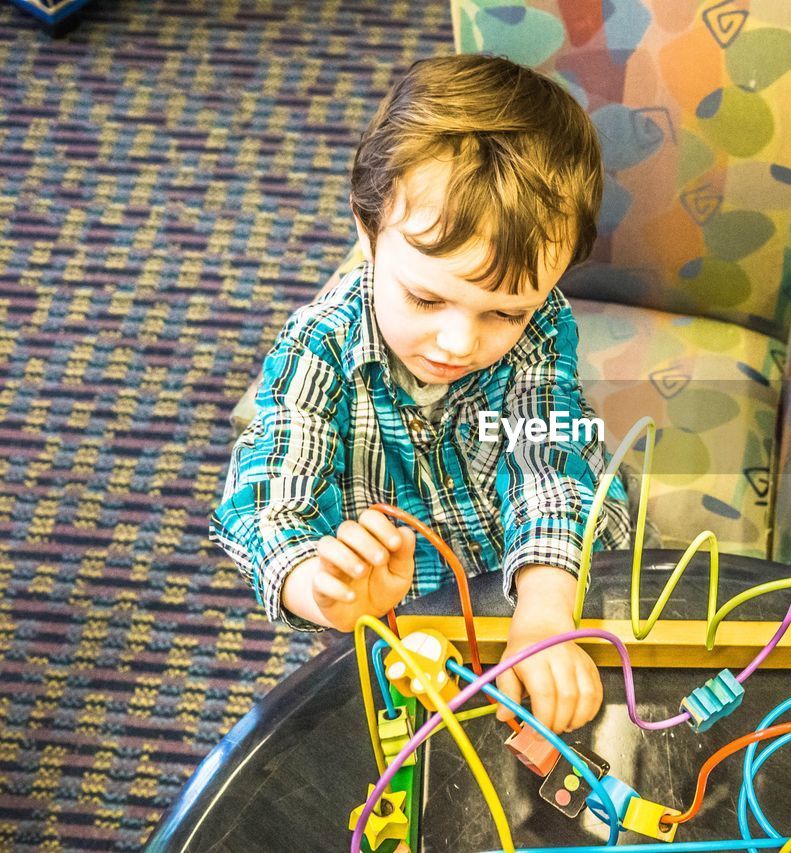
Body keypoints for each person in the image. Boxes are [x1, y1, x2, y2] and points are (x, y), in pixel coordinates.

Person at [210, 54, 634, 735]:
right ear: (367, 229)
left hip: (529, 570)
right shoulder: (319, 344)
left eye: (504, 312)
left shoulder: (545, 323)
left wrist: (548, 606)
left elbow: (548, 460)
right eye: (427, 297)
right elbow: (261, 504)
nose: (458, 343)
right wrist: (326, 588)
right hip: (385, 606)